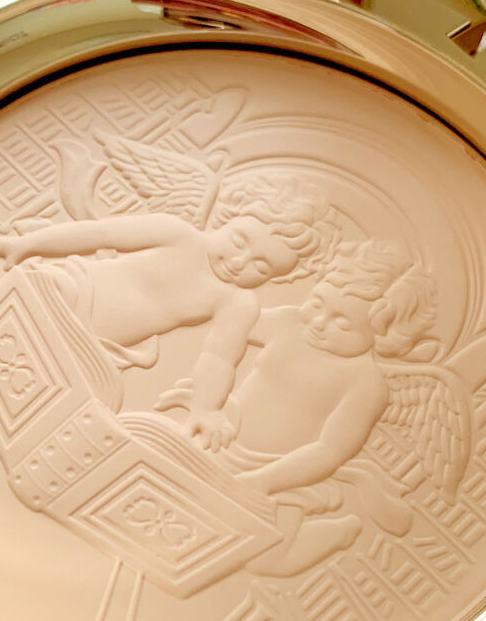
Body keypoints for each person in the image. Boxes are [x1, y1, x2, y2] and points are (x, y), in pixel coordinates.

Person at [0, 175, 330, 446]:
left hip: (102, 345)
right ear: (227, 219)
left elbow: (219, 359)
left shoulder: (237, 302)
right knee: (26, 305)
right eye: (240, 241)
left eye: (262, 267)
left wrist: (205, 408)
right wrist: (27, 244)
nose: (240, 263)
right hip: (74, 288)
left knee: (94, 393)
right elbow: (99, 234)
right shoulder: (178, 234)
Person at [158, 238, 438, 576]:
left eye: (342, 323)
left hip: (282, 474)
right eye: (317, 304)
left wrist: (262, 482)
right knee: (167, 487)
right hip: (223, 439)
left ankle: (339, 532)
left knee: (267, 559)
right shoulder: (289, 324)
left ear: (383, 334)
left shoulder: (365, 382)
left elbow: (330, 450)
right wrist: (208, 403)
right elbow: (229, 328)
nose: (318, 322)